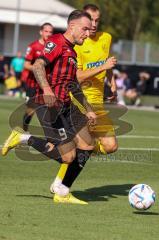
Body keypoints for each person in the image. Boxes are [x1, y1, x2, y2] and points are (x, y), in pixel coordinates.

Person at [2, 10, 99, 204]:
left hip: (67, 105)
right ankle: (23, 138)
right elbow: (38, 65)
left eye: (90, 30)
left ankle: (62, 191)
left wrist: (88, 108)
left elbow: (73, 84)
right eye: (85, 29)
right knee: (68, 156)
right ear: (72, 26)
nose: (88, 34)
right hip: (49, 107)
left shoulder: (72, 51)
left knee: (88, 144)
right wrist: (47, 89)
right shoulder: (56, 42)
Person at [50, 4, 118, 203]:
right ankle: (61, 185)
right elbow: (76, 77)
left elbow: (107, 60)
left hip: (98, 103)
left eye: (97, 21)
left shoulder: (106, 38)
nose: (94, 26)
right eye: (90, 22)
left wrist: (111, 80)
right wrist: (103, 67)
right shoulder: (78, 43)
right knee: (82, 148)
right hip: (80, 101)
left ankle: (61, 180)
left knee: (111, 146)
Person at [22, 22, 54, 131]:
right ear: (41, 32)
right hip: (32, 84)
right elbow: (26, 65)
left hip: (47, 85)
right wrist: (38, 69)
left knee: (49, 111)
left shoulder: (53, 48)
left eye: (51, 32)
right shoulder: (33, 46)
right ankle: (23, 129)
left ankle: (51, 137)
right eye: (46, 31)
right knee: (31, 110)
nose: (49, 34)